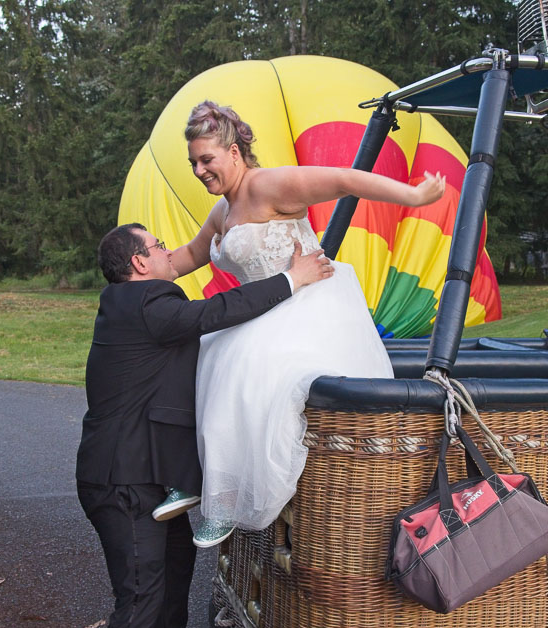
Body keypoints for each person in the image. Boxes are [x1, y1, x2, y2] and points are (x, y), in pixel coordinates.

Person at [151, 101, 447, 548]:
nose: (198, 170)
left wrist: (413, 197)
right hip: (260, 309)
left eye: (206, 159)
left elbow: (344, 179)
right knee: (199, 352)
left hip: (307, 304)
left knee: (243, 372)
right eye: (193, 161)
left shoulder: (270, 184)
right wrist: (133, 273)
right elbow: (185, 258)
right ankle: (194, 480)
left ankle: (227, 502)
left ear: (234, 152)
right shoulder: (222, 210)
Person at [76, 222, 334, 628]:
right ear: (140, 263)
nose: (166, 250)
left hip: (153, 475)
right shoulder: (146, 300)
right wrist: (293, 279)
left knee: (175, 570)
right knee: (138, 597)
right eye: (158, 246)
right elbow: (213, 313)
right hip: (123, 480)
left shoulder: (131, 306)